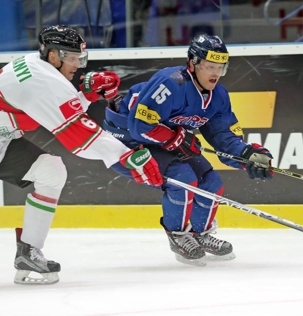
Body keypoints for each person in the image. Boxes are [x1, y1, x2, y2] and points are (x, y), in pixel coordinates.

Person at [0, 25, 163, 285]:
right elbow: (80, 138)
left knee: (51, 173)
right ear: (53, 56)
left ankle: (28, 251)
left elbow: (58, 112)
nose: (78, 64)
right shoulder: (43, 81)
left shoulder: (35, 66)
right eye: (72, 57)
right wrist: (125, 155)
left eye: (80, 58)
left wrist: (85, 95)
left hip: (4, 141)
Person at [103, 34, 274, 266]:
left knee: (211, 183)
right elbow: (140, 126)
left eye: (220, 67)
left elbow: (222, 136)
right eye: (209, 66)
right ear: (193, 64)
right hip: (127, 143)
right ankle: (178, 235)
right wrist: (176, 138)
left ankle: (199, 235)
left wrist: (247, 155)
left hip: (162, 140)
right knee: (182, 178)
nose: (215, 73)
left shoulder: (219, 96)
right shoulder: (171, 83)